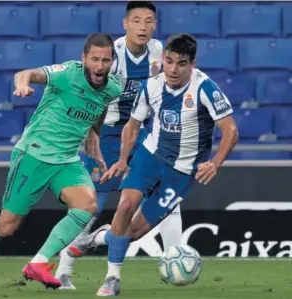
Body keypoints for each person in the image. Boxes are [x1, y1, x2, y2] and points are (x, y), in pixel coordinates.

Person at [72, 33, 239, 296]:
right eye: (168, 61)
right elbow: (133, 125)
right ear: (162, 58)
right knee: (126, 205)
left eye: (180, 63)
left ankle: (96, 238)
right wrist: (124, 160)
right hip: (150, 156)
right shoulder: (151, 86)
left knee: (134, 232)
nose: (172, 69)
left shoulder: (205, 88)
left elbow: (230, 130)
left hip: (182, 171)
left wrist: (215, 163)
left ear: (192, 64)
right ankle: (112, 278)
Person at [0, 33, 123, 290]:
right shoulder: (68, 73)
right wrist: (22, 85)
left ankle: (39, 262)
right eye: (94, 60)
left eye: (105, 60)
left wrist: (94, 134)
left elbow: (100, 105)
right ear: (84, 58)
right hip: (33, 155)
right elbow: (27, 73)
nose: (99, 66)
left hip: (66, 160)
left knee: (87, 205)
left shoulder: (113, 87)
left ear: (112, 61)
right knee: (7, 226)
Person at [55, 1, 184, 289]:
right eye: (136, 21)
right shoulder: (111, 56)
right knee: (91, 205)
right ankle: (64, 269)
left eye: (149, 21)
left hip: (145, 133)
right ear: (125, 24)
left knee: (166, 196)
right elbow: (90, 95)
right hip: (110, 133)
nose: (143, 27)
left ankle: (170, 260)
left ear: (155, 25)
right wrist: (92, 137)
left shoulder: (159, 52)